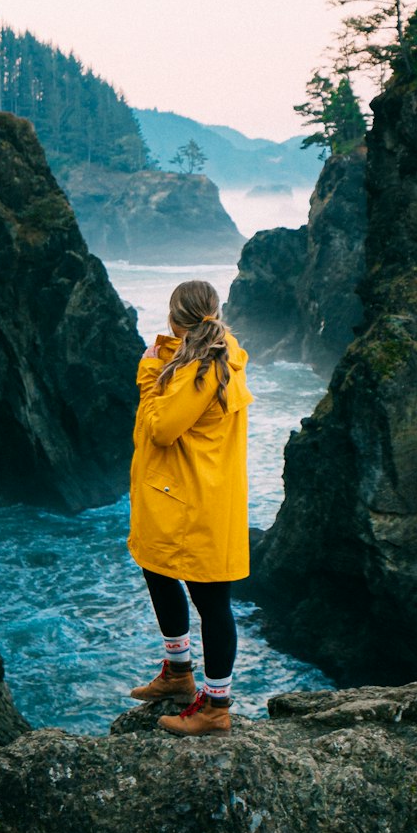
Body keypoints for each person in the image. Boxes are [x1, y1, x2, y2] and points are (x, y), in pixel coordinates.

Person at [127, 278, 252, 735]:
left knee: (212, 600)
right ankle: (179, 672)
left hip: (195, 500)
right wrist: (166, 357)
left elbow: (162, 428)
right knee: (156, 567)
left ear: (175, 318)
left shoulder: (201, 370)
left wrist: (147, 376)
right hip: (190, 492)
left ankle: (216, 706)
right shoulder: (219, 352)